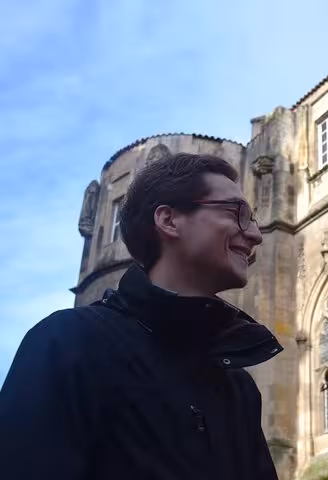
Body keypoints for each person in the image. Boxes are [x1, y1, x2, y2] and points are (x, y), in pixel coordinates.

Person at [0, 153, 283, 479]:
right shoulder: (69, 342)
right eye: (237, 213)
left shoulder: (238, 386)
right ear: (168, 220)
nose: (256, 234)